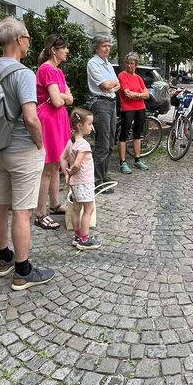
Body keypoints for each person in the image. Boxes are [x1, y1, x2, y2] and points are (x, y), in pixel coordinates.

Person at [0, 17, 54, 290]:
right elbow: (31, 118)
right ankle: (23, 272)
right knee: (23, 212)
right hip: (23, 150)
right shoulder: (23, 73)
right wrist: (40, 144)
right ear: (18, 40)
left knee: (0, 204)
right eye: (27, 38)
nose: (28, 42)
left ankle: (4, 259)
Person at [33, 34, 74, 231]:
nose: (66, 51)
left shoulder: (58, 71)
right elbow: (58, 101)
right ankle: (40, 213)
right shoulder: (47, 69)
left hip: (58, 119)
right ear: (53, 50)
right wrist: (63, 96)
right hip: (49, 120)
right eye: (63, 48)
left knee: (57, 163)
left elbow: (69, 99)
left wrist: (62, 96)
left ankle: (55, 204)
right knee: (48, 167)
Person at [61, 108, 101, 250]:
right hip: (84, 182)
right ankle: (84, 239)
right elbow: (77, 165)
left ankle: (77, 236)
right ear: (79, 125)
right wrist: (71, 172)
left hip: (76, 183)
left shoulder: (71, 142)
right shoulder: (83, 144)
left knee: (76, 209)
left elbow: (62, 158)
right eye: (89, 124)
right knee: (88, 209)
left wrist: (67, 174)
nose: (91, 127)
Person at [86, 34, 120, 193]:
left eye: (108, 46)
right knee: (102, 143)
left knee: (111, 141)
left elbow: (117, 84)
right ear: (96, 47)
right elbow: (105, 85)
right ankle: (97, 181)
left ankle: (103, 175)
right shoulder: (93, 63)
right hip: (100, 103)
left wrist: (110, 85)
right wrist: (110, 85)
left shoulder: (107, 64)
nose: (107, 49)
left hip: (111, 102)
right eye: (104, 46)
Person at [117, 52, 151, 174]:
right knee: (124, 135)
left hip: (140, 108)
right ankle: (123, 162)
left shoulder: (138, 78)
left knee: (137, 134)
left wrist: (137, 95)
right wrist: (140, 95)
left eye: (131, 63)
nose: (129, 66)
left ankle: (137, 159)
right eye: (127, 63)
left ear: (136, 64)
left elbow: (147, 94)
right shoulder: (122, 75)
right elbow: (127, 94)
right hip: (127, 108)